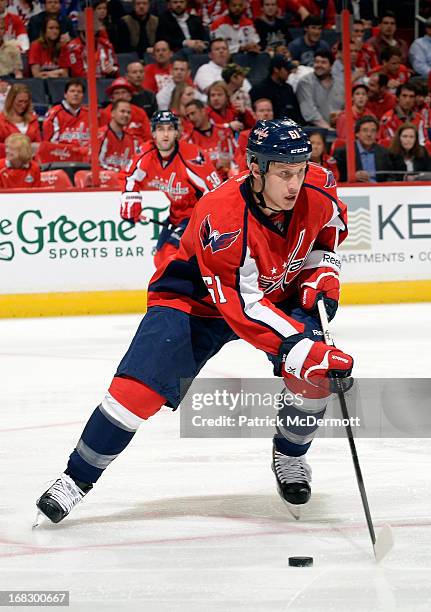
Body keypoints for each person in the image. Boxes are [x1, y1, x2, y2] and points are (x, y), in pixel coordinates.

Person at [34, 117, 353, 526]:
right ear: (255, 168)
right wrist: (301, 348)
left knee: (314, 377)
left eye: (300, 171)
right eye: (284, 173)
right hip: (197, 300)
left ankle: (290, 458)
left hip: (276, 290)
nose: (295, 184)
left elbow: (326, 237)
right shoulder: (221, 216)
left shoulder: (318, 186)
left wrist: (323, 271)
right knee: (134, 394)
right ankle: (74, 480)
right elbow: (242, 307)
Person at [120, 110, 220, 267]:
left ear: (176, 133)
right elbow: (130, 177)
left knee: (170, 254)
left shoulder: (192, 157)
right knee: (160, 259)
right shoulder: (146, 153)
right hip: (176, 216)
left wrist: (208, 225)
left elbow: (216, 193)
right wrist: (130, 201)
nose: (165, 134)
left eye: (170, 129)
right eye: (160, 129)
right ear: (153, 133)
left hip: (198, 217)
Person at [184, 98, 238, 178]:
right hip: (208, 184)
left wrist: (231, 164)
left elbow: (238, 155)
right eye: (188, 116)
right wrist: (215, 165)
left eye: (193, 113)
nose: (191, 118)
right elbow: (192, 169)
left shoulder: (224, 131)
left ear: (203, 111)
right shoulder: (189, 140)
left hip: (230, 178)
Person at [334, 115, 395, 182]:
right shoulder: (343, 152)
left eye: (373, 131)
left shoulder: (384, 152)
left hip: (379, 190)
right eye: (365, 130)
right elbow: (336, 177)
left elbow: (391, 176)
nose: (369, 134)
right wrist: (352, 176)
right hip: (355, 190)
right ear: (357, 133)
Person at [58, 12, 119, 78]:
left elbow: (116, 67)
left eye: (95, 27)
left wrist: (113, 70)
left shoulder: (106, 44)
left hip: (105, 82)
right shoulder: (72, 47)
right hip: (83, 84)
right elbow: (78, 73)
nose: (93, 31)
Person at [296, 49, 344, 130]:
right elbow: (310, 114)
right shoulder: (305, 82)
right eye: (317, 62)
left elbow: (346, 108)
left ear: (331, 65)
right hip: (313, 130)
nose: (319, 65)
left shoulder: (341, 83)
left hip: (338, 129)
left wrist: (340, 116)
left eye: (323, 62)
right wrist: (329, 129)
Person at [250, 54, 303, 122]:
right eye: (287, 69)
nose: (290, 72)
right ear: (276, 69)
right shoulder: (259, 89)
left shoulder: (288, 88)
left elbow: (296, 113)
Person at [99, 77, 152, 143]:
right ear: (111, 98)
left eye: (123, 92)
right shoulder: (105, 113)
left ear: (130, 96)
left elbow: (148, 138)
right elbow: (103, 136)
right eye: (117, 93)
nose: (120, 96)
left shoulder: (140, 112)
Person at [42, 79, 89, 146]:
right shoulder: (54, 113)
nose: (76, 94)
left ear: (83, 95)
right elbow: (50, 143)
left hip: (84, 154)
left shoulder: (89, 114)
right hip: (61, 153)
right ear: (65, 95)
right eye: (72, 91)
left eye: (79, 92)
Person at [98, 99, 140, 171]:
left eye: (128, 112)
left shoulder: (132, 139)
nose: (126, 115)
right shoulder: (100, 135)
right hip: (104, 179)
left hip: (124, 180)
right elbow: (96, 164)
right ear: (112, 113)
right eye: (122, 111)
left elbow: (136, 166)